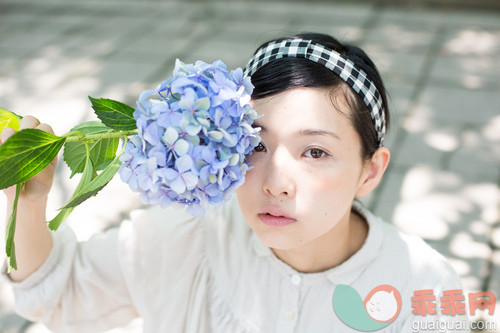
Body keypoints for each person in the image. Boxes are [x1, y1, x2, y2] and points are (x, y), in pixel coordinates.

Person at [1, 33, 469, 332]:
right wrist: (30, 198)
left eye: (315, 152)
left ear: (370, 170)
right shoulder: (188, 237)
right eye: (256, 146)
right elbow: (60, 292)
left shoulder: (424, 289)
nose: (276, 183)